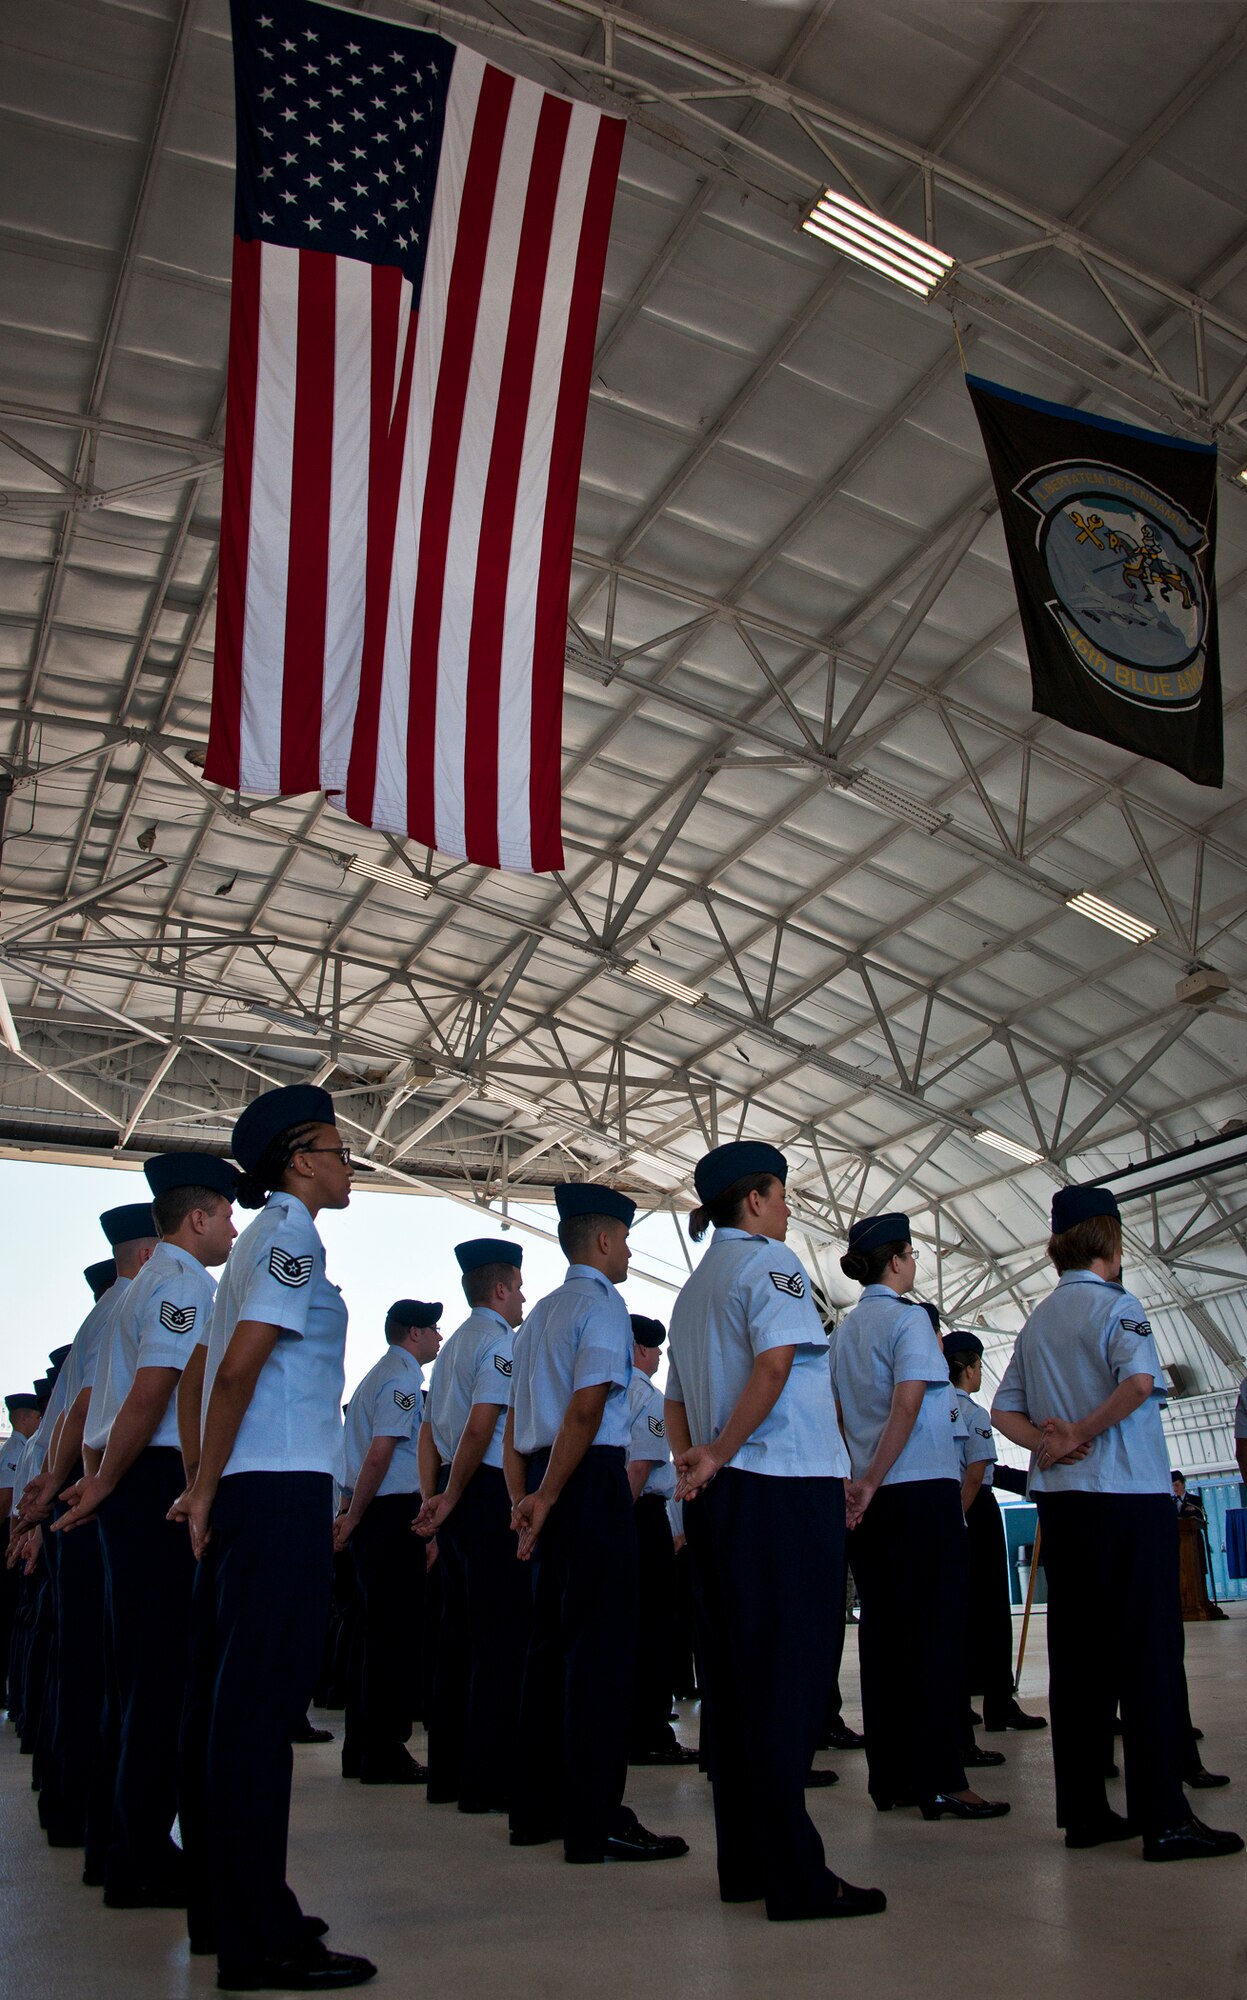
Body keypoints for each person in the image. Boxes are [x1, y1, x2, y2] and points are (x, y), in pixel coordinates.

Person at [172, 1083, 376, 1992]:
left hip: (255, 1488)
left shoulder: (258, 1244)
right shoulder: (290, 1235)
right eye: (337, 1149)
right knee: (258, 1714)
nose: (347, 1162)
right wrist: (207, 1487)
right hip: (279, 1487)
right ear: (300, 1160)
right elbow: (239, 1369)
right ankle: (261, 1937)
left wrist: (206, 1484)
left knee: (229, 1710)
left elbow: (207, 1371)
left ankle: (230, 1908)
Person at [665, 1141, 885, 1922]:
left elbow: (673, 1404)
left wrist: (694, 1465)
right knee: (790, 1686)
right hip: (782, 1488)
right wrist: (721, 1451)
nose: (789, 1208)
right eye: (783, 1194)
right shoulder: (769, 1265)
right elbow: (776, 1364)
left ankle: (748, 1865)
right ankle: (796, 1876)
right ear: (754, 1200)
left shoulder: (696, 1289)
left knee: (734, 1687)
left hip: (721, 1500)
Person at [991, 1182, 1243, 1864]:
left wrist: (1047, 1444)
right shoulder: (1116, 1305)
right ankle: (1163, 1816)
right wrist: (1082, 1430)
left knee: (1078, 1659)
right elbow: (1136, 1384)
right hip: (1125, 1500)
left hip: (1062, 1504)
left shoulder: (1037, 1321)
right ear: (1108, 1239)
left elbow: (1000, 1411)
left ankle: (1085, 1811)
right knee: (1148, 1657)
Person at [54, 1152, 238, 1909]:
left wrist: (98, 1473)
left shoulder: (137, 1287)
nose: (233, 1228)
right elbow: (157, 1390)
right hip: (156, 1479)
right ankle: (141, 1858)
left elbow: (102, 1402)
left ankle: (114, 1844)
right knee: (162, 1678)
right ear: (197, 1219)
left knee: (131, 1678)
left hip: (130, 1481)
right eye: (227, 1214)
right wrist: (104, 1480)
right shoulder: (182, 1285)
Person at [506, 1181, 687, 1866]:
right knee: (601, 1656)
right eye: (627, 1240)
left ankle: (537, 1810)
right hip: (583, 1481)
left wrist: (525, 1498)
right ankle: (595, 1819)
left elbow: (516, 1426)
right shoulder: (604, 1307)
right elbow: (585, 1411)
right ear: (605, 1240)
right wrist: (551, 1495)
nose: (630, 1253)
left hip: (543, 1480)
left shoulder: (540, 1316)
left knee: (549, 1649)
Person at [829, 1214, 1008, 1823]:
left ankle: (894, 1776)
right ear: (898, 1259)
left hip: (872, 1501)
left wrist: (858, 1481)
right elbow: (909, 1403)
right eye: (910, 1253)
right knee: (936, 1637)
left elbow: (835, 1410)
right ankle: (942, 1780)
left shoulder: (845, 1333)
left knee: (884, 1639)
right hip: (919, 1492)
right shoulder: (908, 1320)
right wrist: (876, 1474)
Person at [19, 1206, 157, 1870]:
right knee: (101, 1673)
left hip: (75, 1490)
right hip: (96, 1490)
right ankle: (94, 1822)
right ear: (144, 1257)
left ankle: (77, 1811)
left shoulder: (101, 1316)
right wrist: (72, 1486)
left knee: (82, 1666)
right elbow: (87, 1408)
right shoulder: (130, 1305)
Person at [416, 1237, 529, 1815]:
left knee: (456, 1641)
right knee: (499, 1641)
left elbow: (430, 1433)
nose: (524, 1297)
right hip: (482, 1493)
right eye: (519, 1286)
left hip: (456, 1499)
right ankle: (488, 1780)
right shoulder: (497, 1343)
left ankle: (448, 1775)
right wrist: (457, 1493)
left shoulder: (456, 1343)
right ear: (501, 1289)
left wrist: (435, 1498)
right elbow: (482, 1428)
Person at [336, 1298, 442, 1785]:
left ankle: (363, 1747)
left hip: (371, 1512)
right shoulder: (401, 1382)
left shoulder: (376, 1376)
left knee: (371, 1633)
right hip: (387, 1513)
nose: (439, 1338)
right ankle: (385, 1751)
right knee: (393, 1636)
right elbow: (379, 1457)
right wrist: (355, 1517)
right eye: (434, 1330)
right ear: (414, 1334)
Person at [943, 1325, 1045, 1735]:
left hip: (944, 1507)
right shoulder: (973, 1411)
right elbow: (979, 1471)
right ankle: (999, 1704)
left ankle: (961, 1698)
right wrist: (963, 1518)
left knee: (958, 1610)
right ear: (970, 1368)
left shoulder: (932, 1404)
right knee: (991, 1611)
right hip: (975, 1512)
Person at [624, 1314, 696, 1767]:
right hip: (638, 1516)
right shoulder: (647, 1398)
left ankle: (629, 1725)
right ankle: (650, 1734)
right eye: (653, 1350)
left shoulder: (604, 1391)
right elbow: (641, 1468)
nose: (656, 1358)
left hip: (615, 1514)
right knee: (653, 1628)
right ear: (640, 1350)